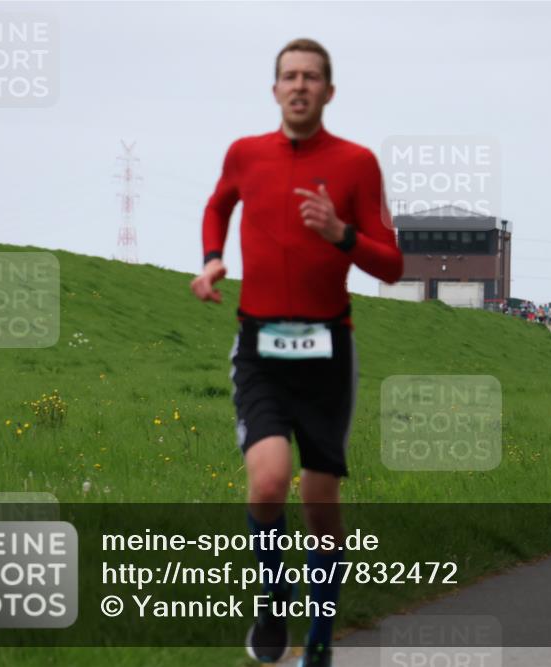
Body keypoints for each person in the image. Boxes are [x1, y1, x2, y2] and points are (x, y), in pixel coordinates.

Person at [191, 38, 403, 667]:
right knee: (267, 481)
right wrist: (210, 260)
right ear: (276, 88)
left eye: (312, 77)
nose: (300, 86)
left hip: (327, 350)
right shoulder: (245, 153)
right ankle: (273, 595)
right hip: (259, 342)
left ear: (329, 92)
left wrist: (341, 234)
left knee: (318, 497)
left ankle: (321, 622)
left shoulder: (357, 163)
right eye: (289, 76)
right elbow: (216, 204)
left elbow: (391, 265)